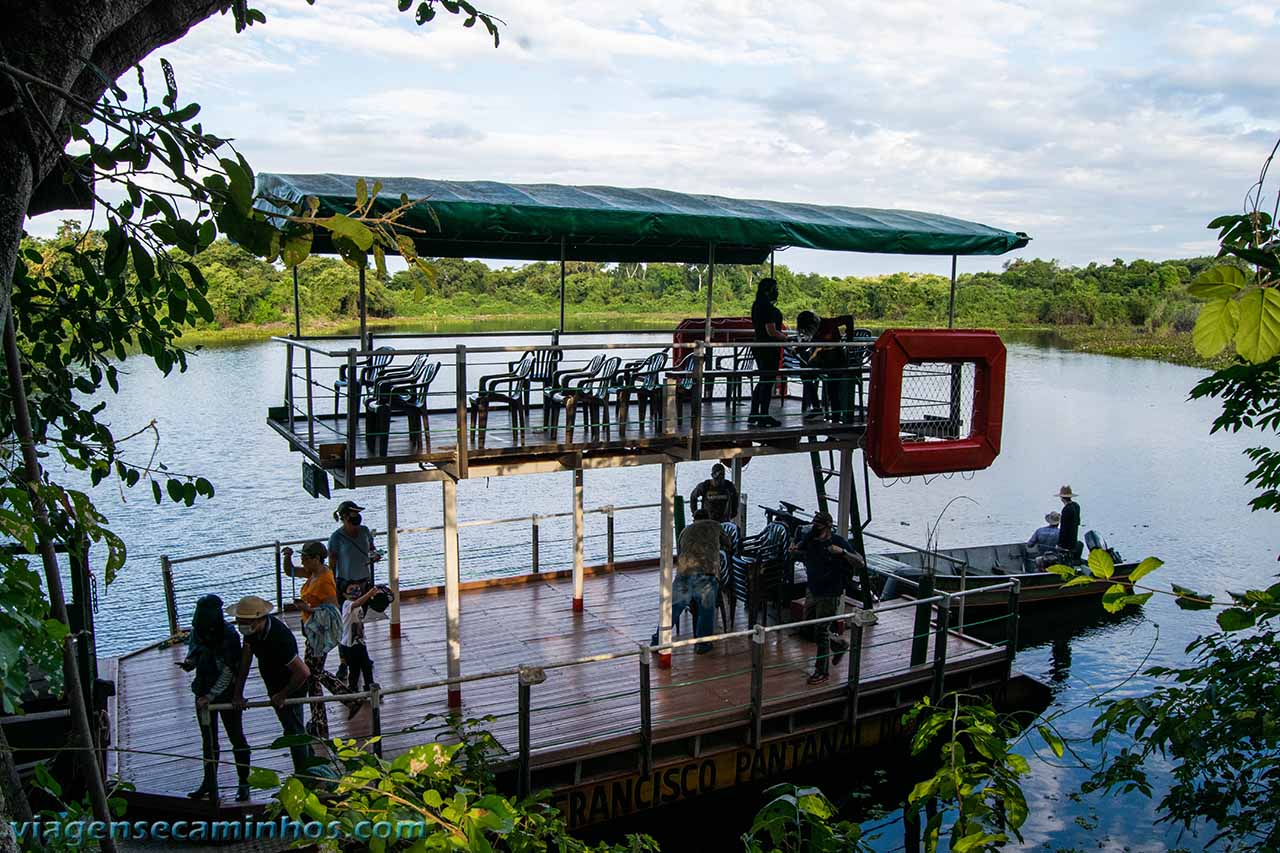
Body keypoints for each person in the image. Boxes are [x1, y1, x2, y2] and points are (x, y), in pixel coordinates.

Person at [227, 595, 312, 774]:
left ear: (259, 620)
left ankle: (304, 776)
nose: (241, 626)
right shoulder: (252, 634)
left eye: (245, 621)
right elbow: (245, 661)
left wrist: (283, 694)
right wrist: (238, 693)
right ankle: (312, 766)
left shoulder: (279, 638)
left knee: (294, 732)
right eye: (239, 621)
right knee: (293, 728)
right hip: (273, 684)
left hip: (291, 687)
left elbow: (303, 672)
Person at [283, 540, 357, 738]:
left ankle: (321, 724)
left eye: (305, 559)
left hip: (320, 632)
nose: (303, 562)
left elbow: (332, 610)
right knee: (314, 674)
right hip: (311, 629)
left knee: (311, 676)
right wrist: (286, 558)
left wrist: (308, 609)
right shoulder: (314, 572)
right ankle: (347, 699)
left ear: (316, 559)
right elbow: (290, 572)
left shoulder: (324, 580)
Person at [180, 594, 250, 802]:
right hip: (202, 689)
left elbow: (229, 670)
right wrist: (189, 663)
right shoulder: (198, 631)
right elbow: (195, 652)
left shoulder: (228, 634)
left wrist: (210, 697)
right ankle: (209, 783)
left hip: (226, 693)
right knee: (208, 741)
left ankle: (244, 782)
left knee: (236, 737)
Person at [793, 511, 865, 685]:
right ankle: (838, 644)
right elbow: (796, 551)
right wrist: (794, 549)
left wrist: (842, 553)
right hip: (813, 589)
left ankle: (821, 671)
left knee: (821, 631)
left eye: (819, 526)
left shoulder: (838, 542)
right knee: (809, 626)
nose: (816, 529)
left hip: (830, 591)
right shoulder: (810, 540)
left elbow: (860, 562)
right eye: (814, 525)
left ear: (827, 526)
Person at [659, 509, 734, 654]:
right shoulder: (716, 525)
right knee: (706, 611)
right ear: (708, 517)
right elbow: (729, 544)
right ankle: (702, 645)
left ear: (694, 519)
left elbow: (681, 551)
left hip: (684, 573)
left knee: (673, 610)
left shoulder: (685, 531)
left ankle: (658, 640)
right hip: (706, 573)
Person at [327, 500, 380, 680]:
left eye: (357, 513)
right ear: (343, 517)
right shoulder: (336, 538)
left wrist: (375, 556)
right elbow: (332, 566)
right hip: (345, 586)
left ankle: (360, 656)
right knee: (345, 627)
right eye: (352, 514)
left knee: (359, 624)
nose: (356, 517)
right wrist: (333, 590)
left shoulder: (365, 531)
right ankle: (344, 662)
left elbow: (371, 550)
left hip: (363, 584)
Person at [796, 310, 855, 423]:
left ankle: (836, 418)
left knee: (833, 390)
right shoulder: (814, 330)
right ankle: (817, 408)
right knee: (805, 375)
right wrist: (797, 349)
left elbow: (848, 318)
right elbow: (810, 342)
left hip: (836, 361)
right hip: (822, 360)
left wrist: (849, 339)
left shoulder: (829, 323)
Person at [749, 277, 788, 428]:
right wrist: (785, 338)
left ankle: (754, 412)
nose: (777, 291)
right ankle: (763, 414)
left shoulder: (757, 305)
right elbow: (771, 331)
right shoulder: (766, 307)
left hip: (760, 346)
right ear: (768, 290)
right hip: (768, 348)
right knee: (767, 380)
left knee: (763, 379)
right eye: (775, 288)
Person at [341, 580, 380, 697]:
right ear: (344, 594)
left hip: (359, 642)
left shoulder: (359, 605)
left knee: (365, 666)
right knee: (355, 668)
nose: (355, 591)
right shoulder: (347, 604)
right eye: (351, 590)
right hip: (349, 644)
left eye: (357, 589)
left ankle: (367, 687)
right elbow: (357, 603)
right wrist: (368, 594)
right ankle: (355, 689)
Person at [1055, 486, 1082, 557]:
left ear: (1061, 498)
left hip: (1066, 544)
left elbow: (1063, 528)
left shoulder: (1066, 509)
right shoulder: (1076, 506)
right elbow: (1078, 522)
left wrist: (1059, 544)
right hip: (1074, 540)